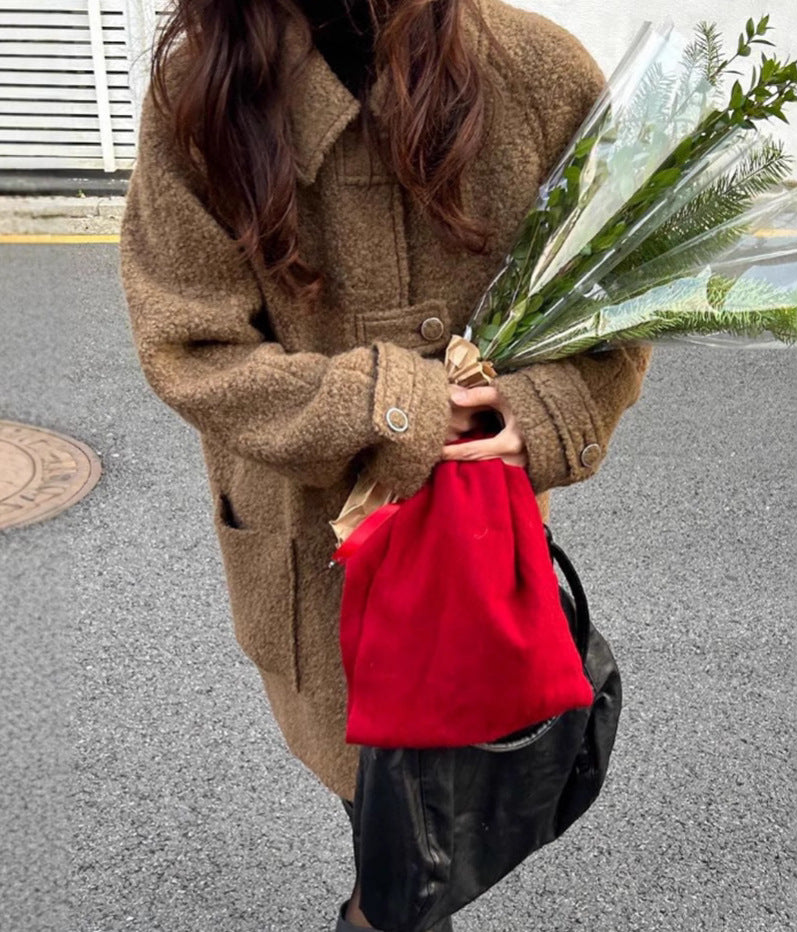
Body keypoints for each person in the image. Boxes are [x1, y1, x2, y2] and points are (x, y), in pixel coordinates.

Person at [119, 0, 653, 929]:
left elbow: (624, 295)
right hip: (312, 563)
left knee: (417, 848)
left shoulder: (537, 73)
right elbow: (189, 345)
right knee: (392, 825)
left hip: (475, 565)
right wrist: (388, 404)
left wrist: (544, 407)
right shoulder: (202, 96)